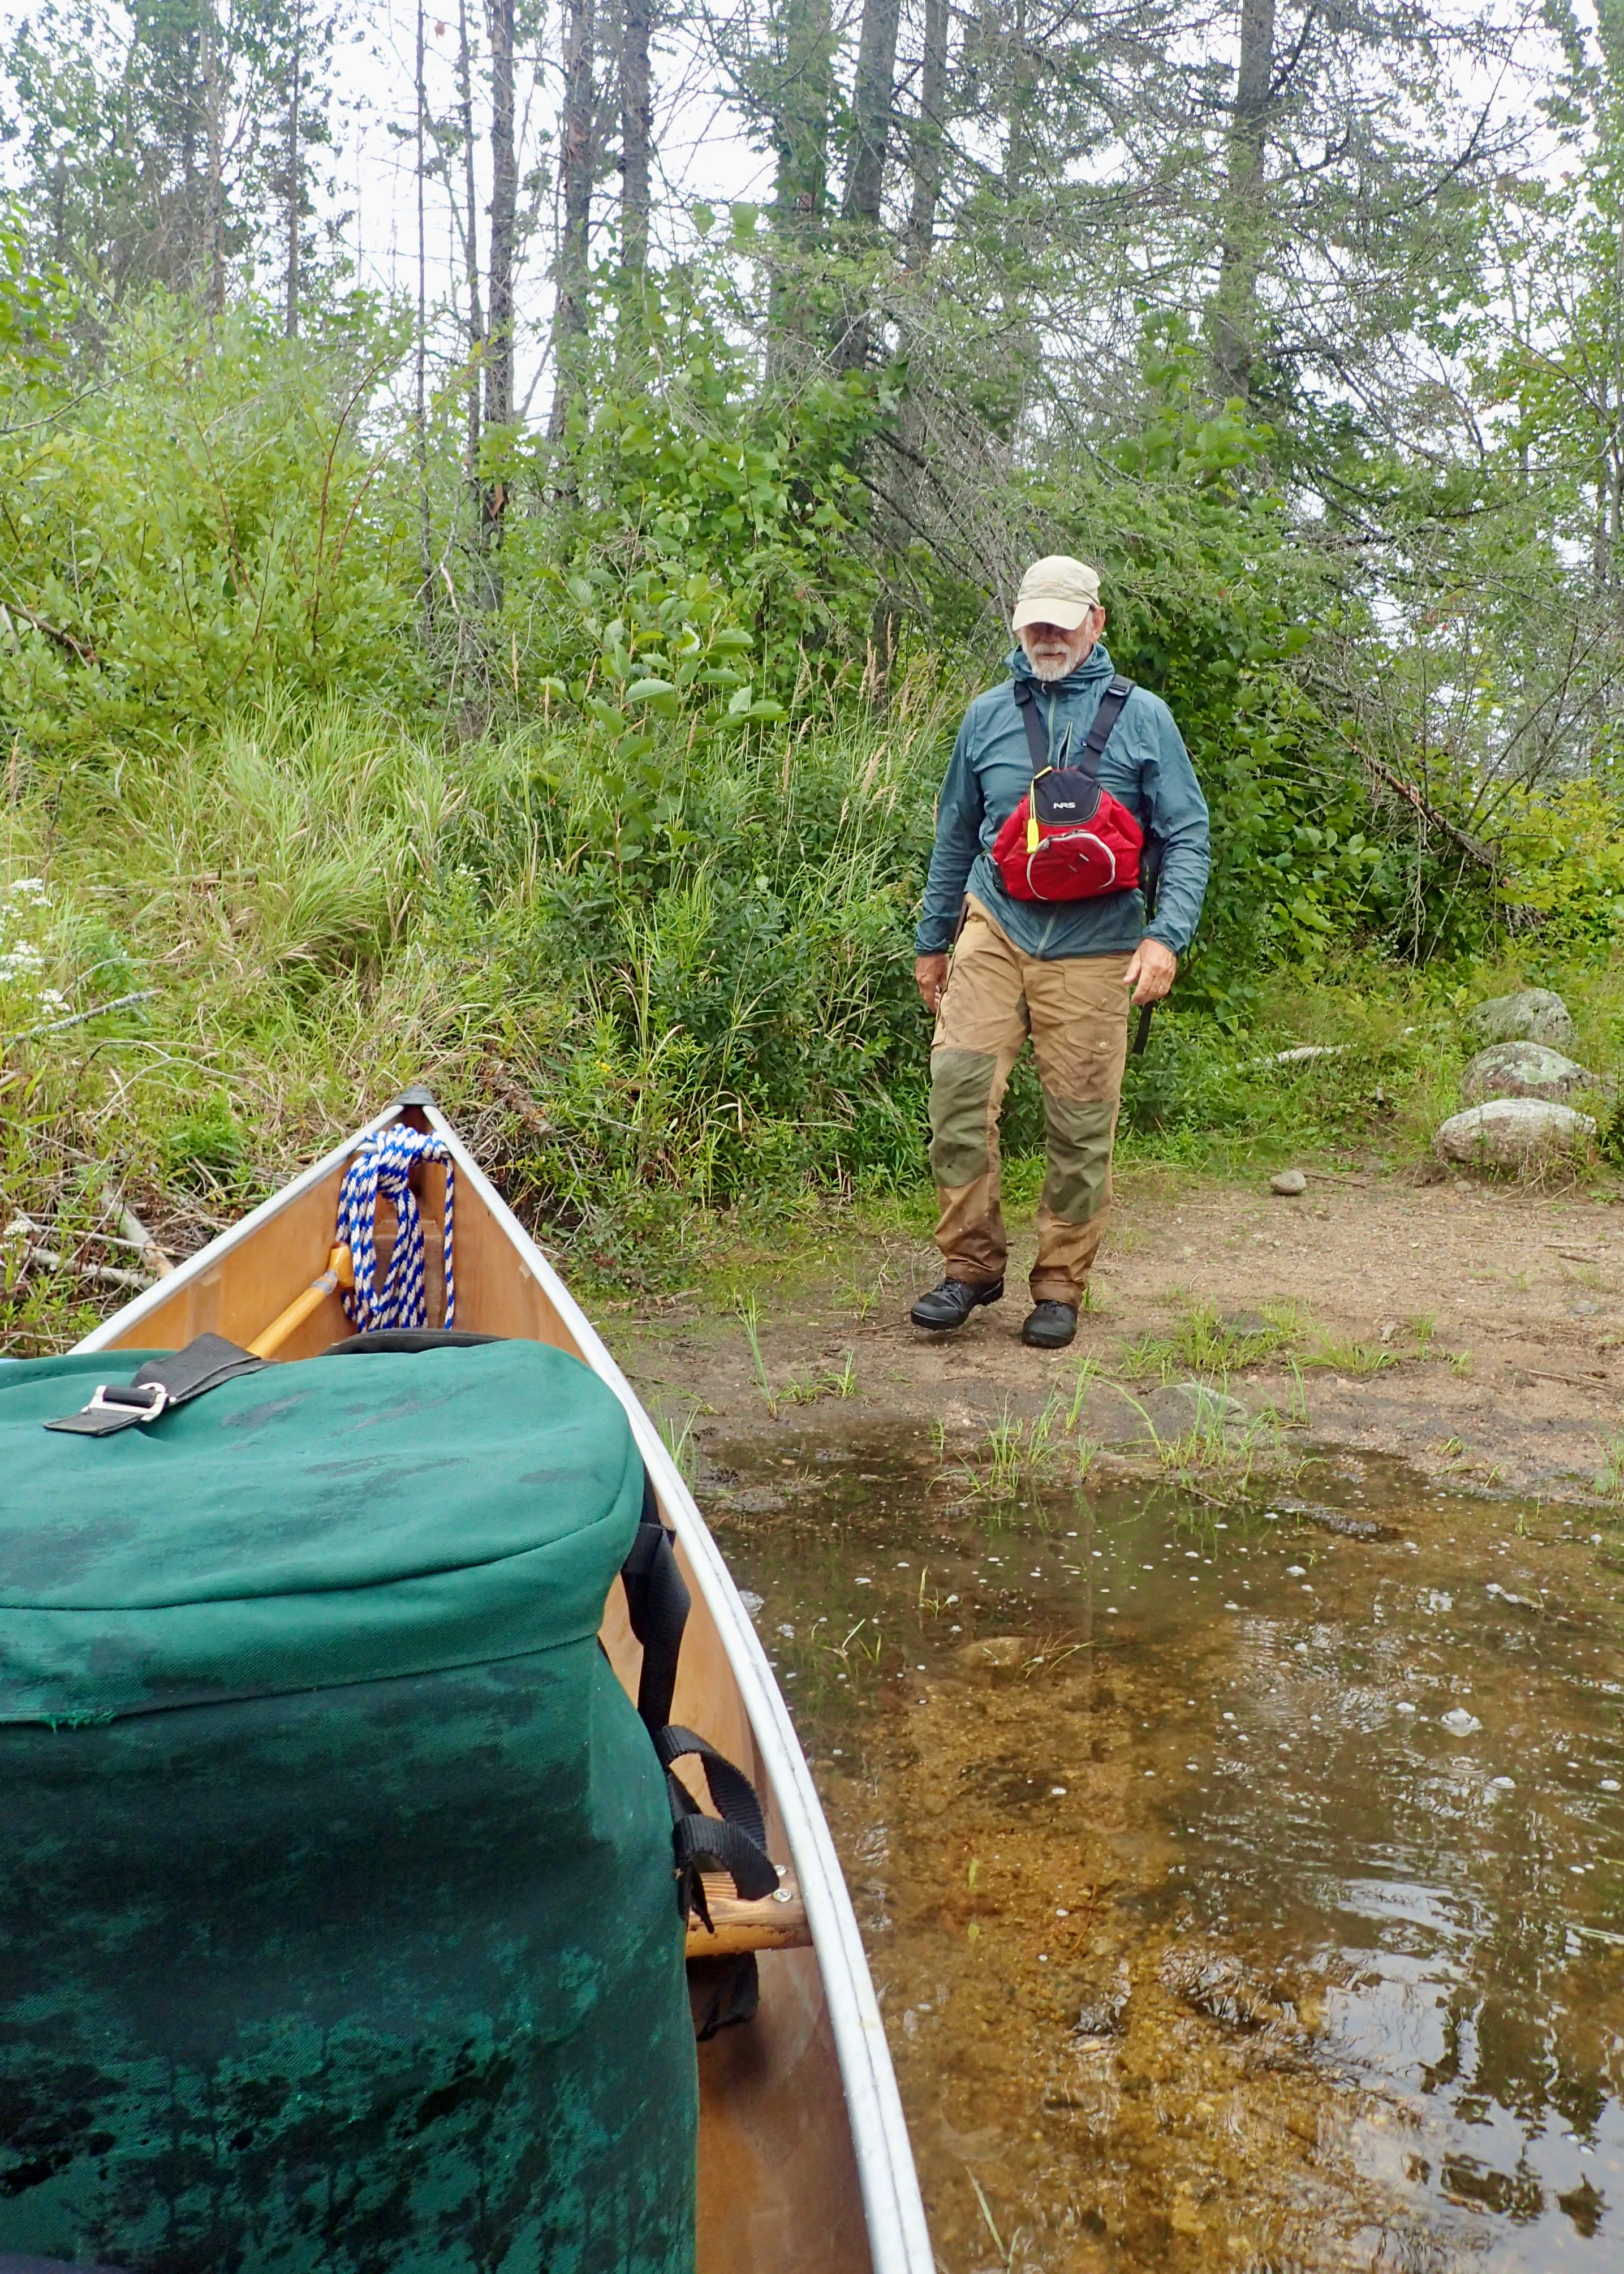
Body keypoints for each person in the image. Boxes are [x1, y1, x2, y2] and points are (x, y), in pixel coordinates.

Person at [910, 555, 1211, 1350]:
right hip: (995, 925)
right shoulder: (986, 716)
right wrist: (932, 943)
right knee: (957, 1095)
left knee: (1079, 1126)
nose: (1046, 636)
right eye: (1034, 623)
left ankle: (1059, 1287)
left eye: (1061, 622)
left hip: (1099, 943)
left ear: (1095, 623)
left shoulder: (1145, 717)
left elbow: (1187, 835)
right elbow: (954, 835)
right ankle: (970, 1268)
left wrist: (1166, 937)